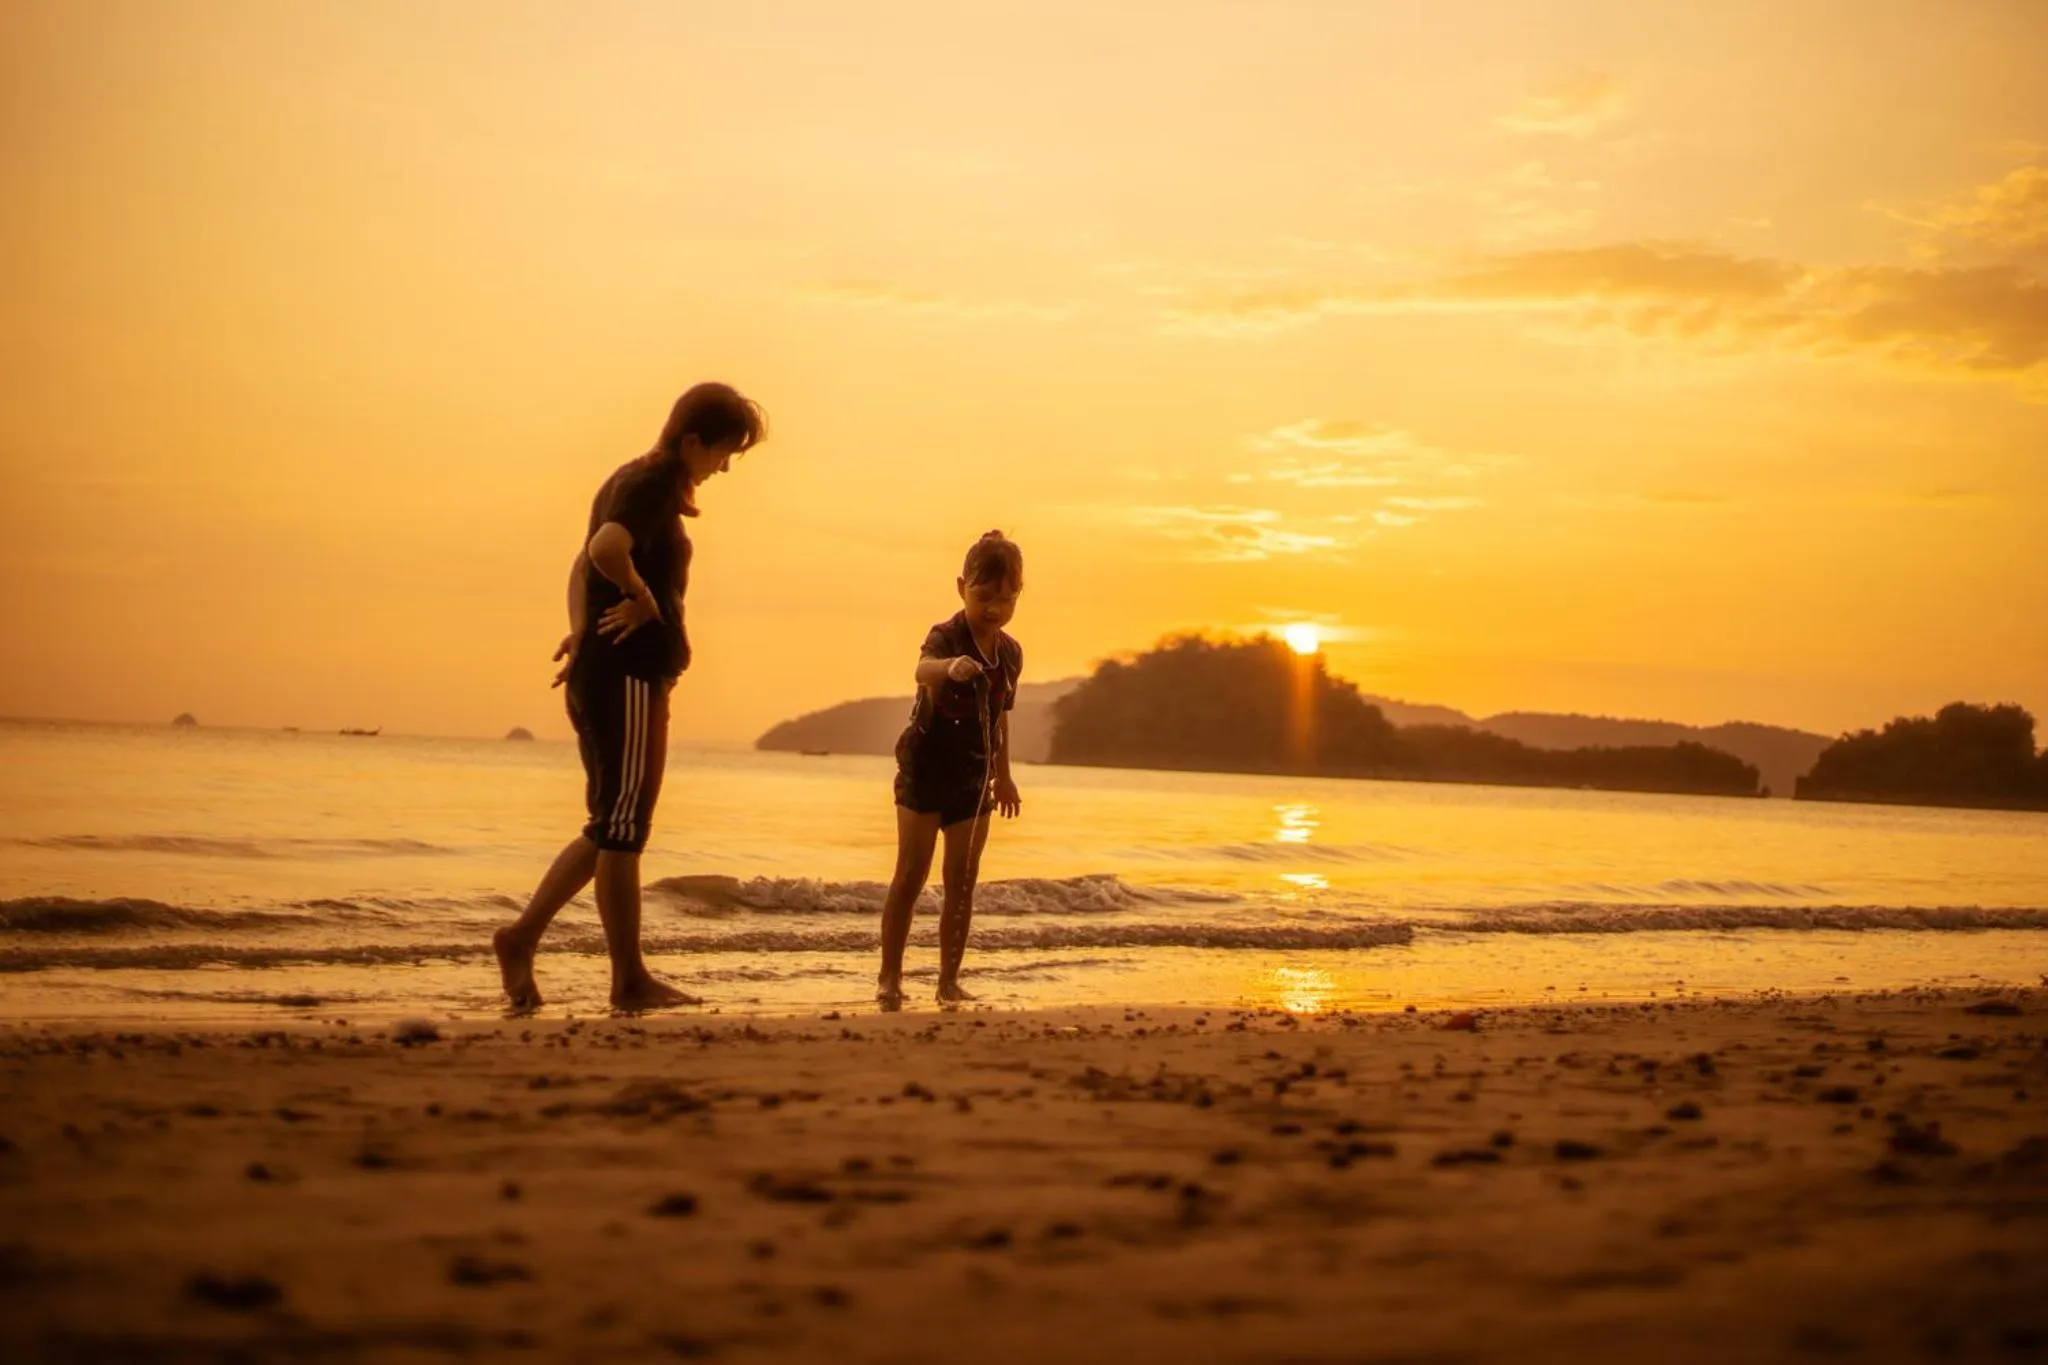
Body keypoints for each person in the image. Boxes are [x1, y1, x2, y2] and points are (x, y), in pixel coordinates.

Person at [493, 383, 766, 1014]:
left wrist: (582, 626)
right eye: (723, 452)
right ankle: (628, 980)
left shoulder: (632, 481)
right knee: (622, 830)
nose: (723, 467)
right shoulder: (650, 486)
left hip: (616, 675)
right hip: (629, 681)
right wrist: (642, 600)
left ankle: (523, 936)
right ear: (692, 440)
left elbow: (580, 564)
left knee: (612, 826)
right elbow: (604, 551)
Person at [875, 530, 1025, 1009]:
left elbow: (1000, 716)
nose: (994, 609)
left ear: (1019, 595)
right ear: (962, 586)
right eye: (984, 597)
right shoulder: (945, 635)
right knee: (911, 874)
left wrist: (1004, 775)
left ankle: (948, 982)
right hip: (926, 769)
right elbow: (922, 670)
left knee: (962, 881)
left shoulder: (1011, 653)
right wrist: (950, 666)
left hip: (976, 776)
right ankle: (889, 978)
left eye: (1006, 598)